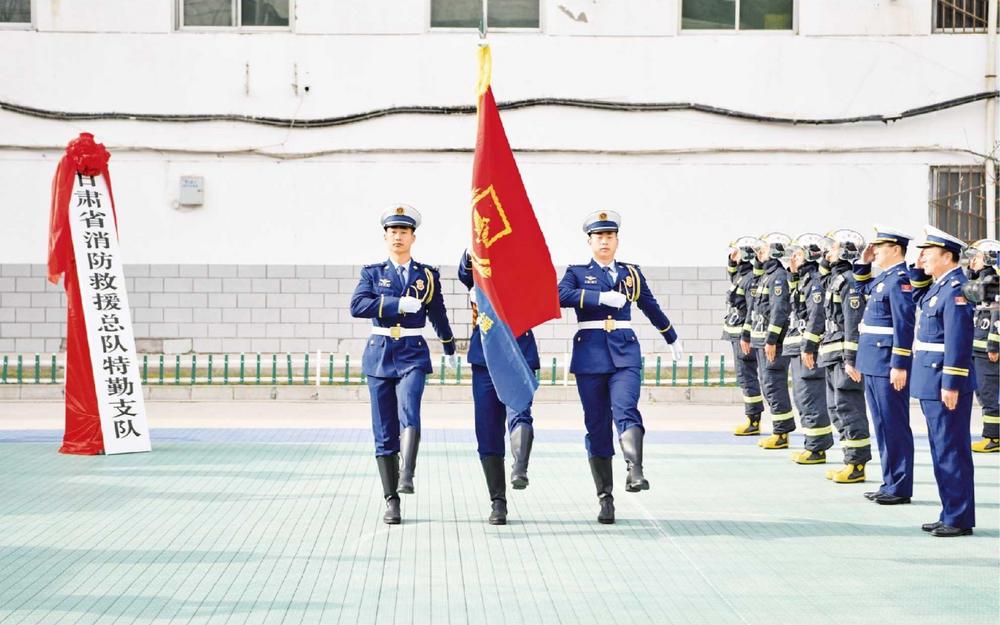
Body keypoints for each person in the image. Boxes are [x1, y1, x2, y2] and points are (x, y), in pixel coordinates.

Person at [557, 210, 681, 524]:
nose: (605, 241)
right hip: (590, 355)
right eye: (599, 236)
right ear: (589, 241)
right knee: (597, 427)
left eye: (609, 236)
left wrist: (670, 335)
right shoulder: (576, 272)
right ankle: (605, 498)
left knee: (626, 408)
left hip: (625, 352)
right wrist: (600, 297)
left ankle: (635, 469)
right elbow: (560, 295)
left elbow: (650, 305)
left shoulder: (631, 273)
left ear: (617, 240)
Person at [350, 205, 457, 524]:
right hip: (380, 353)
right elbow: (357, 306)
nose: (398, 237)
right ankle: (391, 500)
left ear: (413, 237)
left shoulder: (426, 276)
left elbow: (438, 313)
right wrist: (396, 304)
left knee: (409, 408)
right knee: (384, 430)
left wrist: (449, 345)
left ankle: (406, 474)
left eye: (404, 232)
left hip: (412, 352)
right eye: (393, 232)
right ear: (386, 237)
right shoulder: (372, 274)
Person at [458, 249, 540, 525]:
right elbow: (465, 272)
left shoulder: (524, 256)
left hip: (518, 350)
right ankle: (498, 501)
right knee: (487, 429)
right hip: (485, 355)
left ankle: (520, 467)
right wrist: (471, 250)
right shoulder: (480, 257)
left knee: (520, 411)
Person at [909, 226, 977, 537]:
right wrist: (917, 269)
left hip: (944, 382)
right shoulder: (939, 287)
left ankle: (959, 518)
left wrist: (951, 383)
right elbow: (917, 296)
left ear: (947, 256)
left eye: (928, 253)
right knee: (941, 449)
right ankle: (950, 511)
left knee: (951, 450)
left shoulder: (956, 289)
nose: (922, 257)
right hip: (931, 380)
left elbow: (958, 341)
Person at [852, 227, 916, 504]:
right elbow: (861, 288)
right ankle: (889, 483)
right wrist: (863, 262)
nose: (875, 250)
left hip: (887, 363)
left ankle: (899, 487)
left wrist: (899, 364)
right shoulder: (885, 278)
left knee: (894, 425)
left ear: (896, 249)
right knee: (882, 425)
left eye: (880, 246)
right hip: (873, 362)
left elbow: (904, 324)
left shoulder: (900, 280)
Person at [818, 229, 871, 483]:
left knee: (848, 407)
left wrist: (851, 359)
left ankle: (857, 465)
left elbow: (852, 322)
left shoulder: (849, 280)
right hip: (832, 353)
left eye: (834, 247)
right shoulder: (835, 278)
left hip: (842, 356)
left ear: (846, 251)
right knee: (835, 408)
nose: (828, 251)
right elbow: (820, 278)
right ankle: (848, 460)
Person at [784, 233, 835, 463]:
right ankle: (812, 444)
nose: (793, 257)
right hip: (800, 347)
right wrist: (793, 274)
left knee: (810, 396)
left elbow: (816, 316)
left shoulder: (814, 280)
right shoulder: (804, 279)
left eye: (798, 254)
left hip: (809, 350)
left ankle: (817, 448)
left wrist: (809, 346)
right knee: (802, 396)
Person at [741, 233, 795, 450]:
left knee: (774, 384)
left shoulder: (778, 277)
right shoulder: (766, 275)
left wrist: (771, 340)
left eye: (762, 250)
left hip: (774, 343)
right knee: (768, 385)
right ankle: (779, 430)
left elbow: (779, 310)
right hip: (762, 341)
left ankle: (781, 433)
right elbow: (755, 309)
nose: (758, 253)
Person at [724, 237, 767, 436]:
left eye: (739, 252)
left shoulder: (750, 279)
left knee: (747, 377)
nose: (735, 255)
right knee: (744, 377)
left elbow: (752, 308)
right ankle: (752, 417)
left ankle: (753, 419)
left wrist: (746, 335)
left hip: (743, 334)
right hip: (737, 333)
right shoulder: (743, 275)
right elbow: (733, 276)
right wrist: (732, 261)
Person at [966, 239, 1000, 453]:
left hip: (987, 351)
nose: (972, 262)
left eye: (976, 258)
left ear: (988, 258)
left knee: (989, 394)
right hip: (978, 349)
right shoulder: (984, 280)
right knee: (983, 393)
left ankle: (993, 438)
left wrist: (994, 345)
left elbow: (998, 315)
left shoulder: (993, 281)